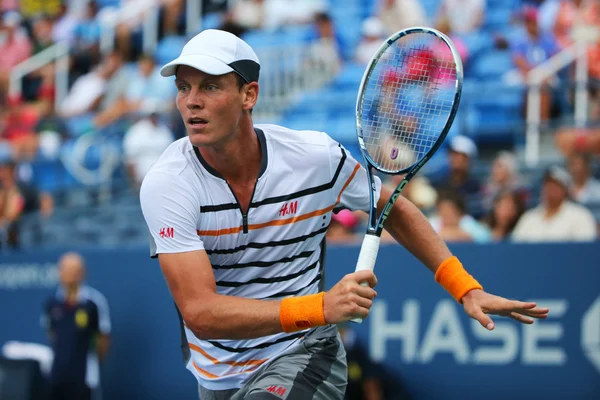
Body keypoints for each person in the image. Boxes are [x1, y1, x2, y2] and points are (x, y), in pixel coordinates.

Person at [139, 29, 549, 400]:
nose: (191, 101)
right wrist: (321, 306)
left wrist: (465, 286)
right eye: (184, 87)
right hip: (215, 377)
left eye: (210, 86)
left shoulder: (315, 158)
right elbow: (200, 313)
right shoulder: (168, 184)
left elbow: (394, 209)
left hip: (302, 352)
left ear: (249, 95)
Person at [42, 252, 111, 400]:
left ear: (82, 273)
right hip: (57, 375)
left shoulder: (94, 303)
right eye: (65, 269)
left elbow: (103, 339)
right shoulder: (52, 303)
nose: (70, 274)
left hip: (84, 377)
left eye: (74, 270)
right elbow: (51, 334)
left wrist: (92, 362)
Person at [512, 166, 597, 242]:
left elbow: (586, 251)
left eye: (555, 185)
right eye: (547, 185)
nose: (550, 189)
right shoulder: (528, 218)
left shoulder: (581, 216)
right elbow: (516, 248)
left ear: (565, 190)